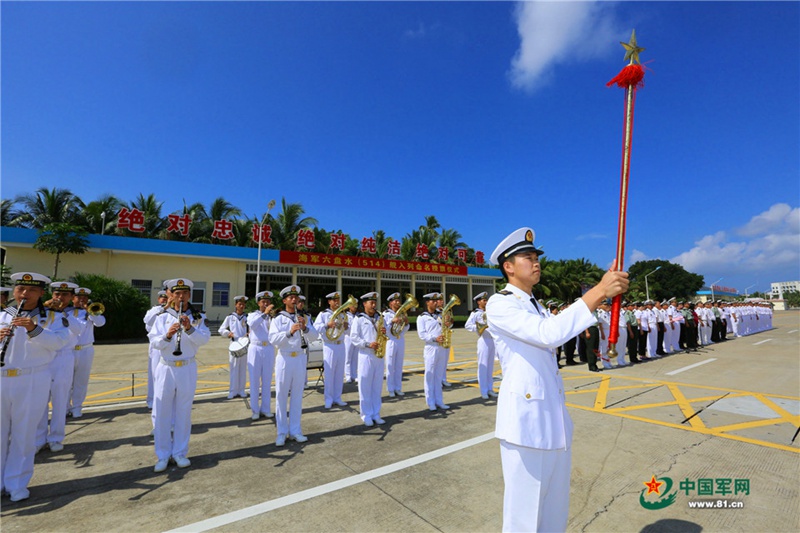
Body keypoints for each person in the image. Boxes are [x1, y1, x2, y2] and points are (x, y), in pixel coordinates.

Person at [486, 227, 628, 533]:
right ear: (508, 267)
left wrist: (604, 290)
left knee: (553, 514)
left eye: (536, 256)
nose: (535, 262)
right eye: (527, 257)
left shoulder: (534, 304)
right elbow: (547, 335)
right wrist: (599, 291)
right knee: (524, 518)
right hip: (525, 426)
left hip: (552, 422)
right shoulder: (500, 304)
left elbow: (558, 329)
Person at [1, 272, 72, 502]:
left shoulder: (52, 317)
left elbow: (60, 342)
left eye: (31, 290)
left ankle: (16, 483)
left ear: (41, 293)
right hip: (2, 376)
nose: (25, 294)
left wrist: (34, 329)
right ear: (14, 291)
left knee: (24, 434)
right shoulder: (3, 315)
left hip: (32, 378)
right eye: (21, 289)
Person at [148, 278, 210, 472]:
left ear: (189, 295)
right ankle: (163, 454)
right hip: (166, 367)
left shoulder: (197, 317)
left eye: (184, 293)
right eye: (177, 293)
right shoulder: (161, 315)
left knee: (184, 411)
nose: (181, 297)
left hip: (187, 367)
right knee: (162, 412)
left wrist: (189, 328)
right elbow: (154, 341)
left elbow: (204, 339)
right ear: (171, 295)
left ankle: (180, 452)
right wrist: (167, 335)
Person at [268, 285, 318, 446]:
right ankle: (281, 432)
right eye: (291, 297)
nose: (295, 300)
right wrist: (289, 332)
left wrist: (305, 327)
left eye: (296, 297)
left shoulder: (304, 317)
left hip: (300, 358)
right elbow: (273, 339)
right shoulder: (278, 318)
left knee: (297, 395)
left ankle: (296, 430)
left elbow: (315, 336)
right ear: (284, 301)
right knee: (282, 396)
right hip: (285, 358)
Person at [35, 282, 82, 453]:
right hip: (43, 358)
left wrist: (62, 312)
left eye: (64, 295)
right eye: (57, 294)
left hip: (63, 359)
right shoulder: (41, 312)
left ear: (71, 298)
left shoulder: (72, 316)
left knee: (60, 400)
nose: (59, 298)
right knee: (40, 400)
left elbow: (78, 330)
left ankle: (56, 437)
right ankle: (38, 438)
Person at [350, 292, 386, 426]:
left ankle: (376, 413)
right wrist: (367, 344)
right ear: (364, 304)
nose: (373, 304)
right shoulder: (359, 319)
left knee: (377, 386)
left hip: (378, 355)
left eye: (374, 302)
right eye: (370, 302)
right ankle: (366, 415)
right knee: (365, 386)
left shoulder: (380, 317)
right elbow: (354, 338)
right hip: (365, 354)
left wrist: (384, 331)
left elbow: (386, 330)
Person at [68, 287, 106, 418]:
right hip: (69, 350)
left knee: (81, 381)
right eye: (79, 297)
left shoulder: (91, 313)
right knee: (66, 380)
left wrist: (89, 312)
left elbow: (101, 323)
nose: (82, 300)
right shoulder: (66, 312)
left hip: (85, 349)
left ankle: (77, 407)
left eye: (84, 298)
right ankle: (65, 407)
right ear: (72, 298)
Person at [313, 292, 348, 409]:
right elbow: (316, 328)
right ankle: (328, 399)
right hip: (329, 345)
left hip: (341, 344)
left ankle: (338, 397)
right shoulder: (323, 314)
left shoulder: (343, 315)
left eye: (338, 300)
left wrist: (347, 327)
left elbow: (348, 332)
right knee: (329, 373)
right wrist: (328, 325)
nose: (337, 302)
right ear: (329, 302)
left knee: (339, 373)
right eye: (334, 300)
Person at [417, 292, 449, 411]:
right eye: (433, 301)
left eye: (436, 301)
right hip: (430, 347)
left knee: (439, 375)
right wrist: (434, 338)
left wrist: (447, 324)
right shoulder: (422, 317)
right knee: (430, 375)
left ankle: (439, 400)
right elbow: (422, 334)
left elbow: (446, 327)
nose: (436, 303)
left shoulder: (441, 314)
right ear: (427, 303)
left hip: (441, 347)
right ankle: (430, 401)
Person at [247, 291, 276, 420]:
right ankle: (255, 410)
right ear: (258, 303)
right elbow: (252, 325)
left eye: (268, 302)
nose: (266, 304)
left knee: (267, 380)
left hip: (269, 348)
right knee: (254, 380)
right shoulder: (252, 315)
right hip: (255, 347)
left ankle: (266, 408)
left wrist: (270, 315)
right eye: (263, 302)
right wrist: (264, 314)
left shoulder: (273, 317)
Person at [464, 292, 497, 399]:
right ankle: (483, 390)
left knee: (490, 366)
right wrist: (479, 327)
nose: (486, 302)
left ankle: (490, 388)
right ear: (478, 302)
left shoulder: (490, 312)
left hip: (492, 340)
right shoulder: (475, 313)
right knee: (483, 366)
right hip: (483, 339)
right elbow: (468, 325)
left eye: (486, 300)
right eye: (484, 300)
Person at [219, 295, 249, 400]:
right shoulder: (230, 317)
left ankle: (241, 390)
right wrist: (228, 333)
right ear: (236, 305)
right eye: (239, 304)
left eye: (243, 304)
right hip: (234, 344)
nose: (241, 306)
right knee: (234, 368)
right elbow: (221, 329)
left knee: (242, 368)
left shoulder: (247, 317)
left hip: (244, 344)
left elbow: (252, 329)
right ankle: (232, 390)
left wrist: (249, 333)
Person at [143, 289, 169, 410]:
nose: (164, 300)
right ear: (158, 299)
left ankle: (165, 399)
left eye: (166, 297)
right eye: (161, 298)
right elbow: (148, 321)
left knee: (166, 375)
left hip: (168, 345)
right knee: (154, 374)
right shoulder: (153, 311)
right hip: (156, 347)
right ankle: (151, 399)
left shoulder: (171, 312)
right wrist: (163, 308)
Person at [383, 292, 409, 398]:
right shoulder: (386, 314)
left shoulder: (402, 313)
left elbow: (405, 329)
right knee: (390, 366)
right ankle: (390, 389)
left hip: (400, 339)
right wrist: (391, 321)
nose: (398, 302)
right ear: (390, 303)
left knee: (399, 366)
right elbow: (384, 328)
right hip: (390, 340)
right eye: (395, 301)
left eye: (399, 301)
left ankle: (398, 387)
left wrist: (406, 323)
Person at [343, 299, 359, 384]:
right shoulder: (346, 315)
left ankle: (354, 375)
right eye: (353, 305)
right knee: (348, 358)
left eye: (356, 305)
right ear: (349, 307)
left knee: (355, 357)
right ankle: (348, 375)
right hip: (348, 337)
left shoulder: (358, 316)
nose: (355, 307)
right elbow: (345, 329)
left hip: (355, 338)